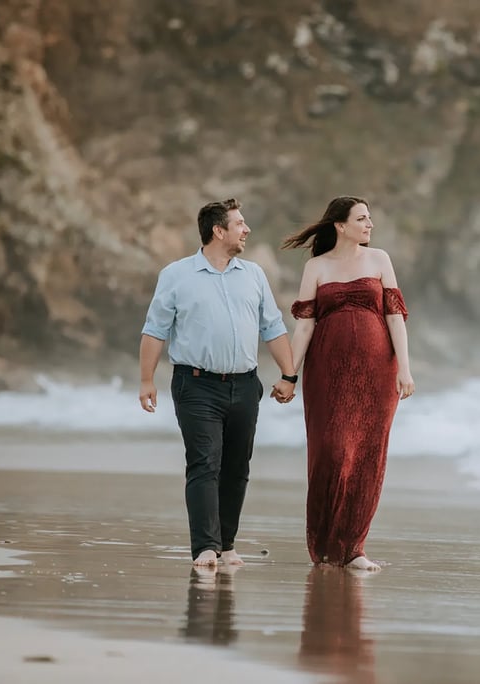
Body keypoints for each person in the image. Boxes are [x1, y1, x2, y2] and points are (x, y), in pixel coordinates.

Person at [139, 198, 297, 567]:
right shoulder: (176, 275)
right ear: (218, 230)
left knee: (237, 468)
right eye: (240, 224)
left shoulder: (253, 274)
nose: (247, 230)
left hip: (244, 385)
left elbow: (272, 327)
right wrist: (146, 379)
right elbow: (154, 329)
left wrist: (289, 375)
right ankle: (205, 548)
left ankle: (226, 545)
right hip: (196, 386)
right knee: (204, 463)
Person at [281, 196, 414, 572]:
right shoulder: (317, 267)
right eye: (362, 218)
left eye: (370, 218)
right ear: (340, 225)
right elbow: (304, 325)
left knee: (367, 455)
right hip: (327, 372)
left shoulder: (380, 260)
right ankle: (324, 546)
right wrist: (290, 374)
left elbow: (395, 317)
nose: (369, 224)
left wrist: (404, 368)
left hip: (377, 373)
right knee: (333, 452)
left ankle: (353, 547)